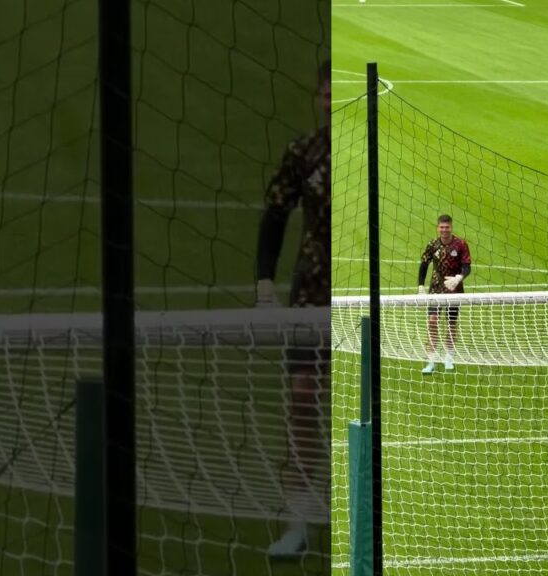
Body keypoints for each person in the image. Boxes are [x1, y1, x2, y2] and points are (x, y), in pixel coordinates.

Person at [254, 61, 331, 558]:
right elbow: (276, 213)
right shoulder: (304, 152)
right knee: (303, 400)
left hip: (361, 297)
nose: (329, 100)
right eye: (324, 93)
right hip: (310, 295)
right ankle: (300, 522)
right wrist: (264, 284)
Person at [418, 214, 472, 374]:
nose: (444, 230)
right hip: (435, 288)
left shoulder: (461, 244)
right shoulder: (433, 244)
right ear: (437, 228)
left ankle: (449, 357)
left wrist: (459, 278)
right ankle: (431, 361)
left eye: (447, 227)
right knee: (432, 321)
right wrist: (420, 286)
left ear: (451, 227)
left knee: (451, 323)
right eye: (441, 227)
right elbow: (424, 264)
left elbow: (467, 266)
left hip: (454, 289)